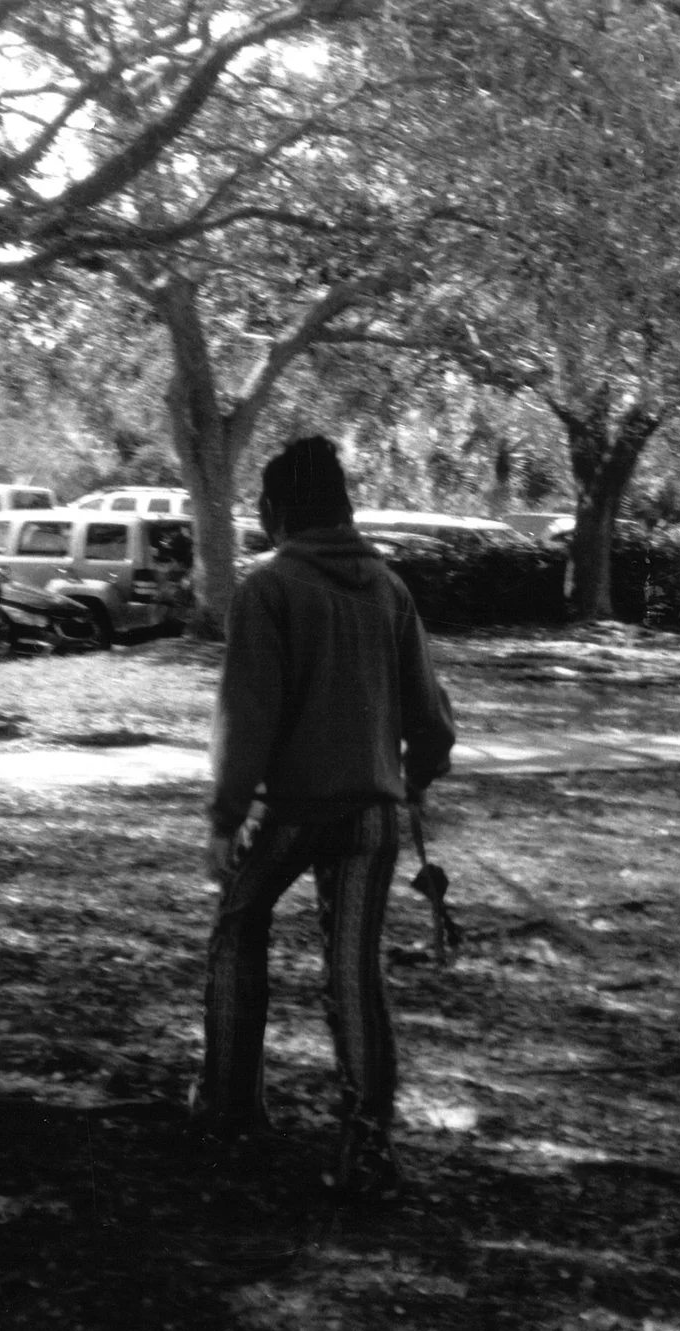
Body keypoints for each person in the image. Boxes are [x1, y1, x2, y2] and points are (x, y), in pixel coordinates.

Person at [197, 436, 456, 1204]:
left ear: (277, 512)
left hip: (296, 812)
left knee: (238, 928)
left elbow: (247, 716)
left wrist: (224, 821)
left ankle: (230, 1112)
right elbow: (430, 713)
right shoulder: (388, 588)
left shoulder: (268, 590)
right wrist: (415, 779)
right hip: (372, 816)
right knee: (355, 972)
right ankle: (368, 1142)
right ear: (343, 510)